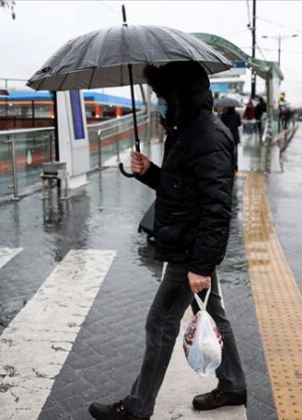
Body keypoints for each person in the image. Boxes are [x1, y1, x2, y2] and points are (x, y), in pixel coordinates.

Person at [88, 61, 246, 420]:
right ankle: (233, 383)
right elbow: (181, 191)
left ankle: (138, 407)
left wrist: (201, 265)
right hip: (190, 244)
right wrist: (150, 173)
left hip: (191, 250)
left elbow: (216, 207)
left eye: (162, 96)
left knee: (159, 322)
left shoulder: (207, 136)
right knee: (214, 313)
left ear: (179, 95)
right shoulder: (189, 130)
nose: (159, 103)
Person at [220, 106, 241, 171]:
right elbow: (239, 124)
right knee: (235, 151)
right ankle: (235, 165)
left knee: (227, 150)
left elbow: (221, 124)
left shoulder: (223, 115)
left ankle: (228, 164)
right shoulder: (237, 115)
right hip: (235, 136)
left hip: (226, 135)